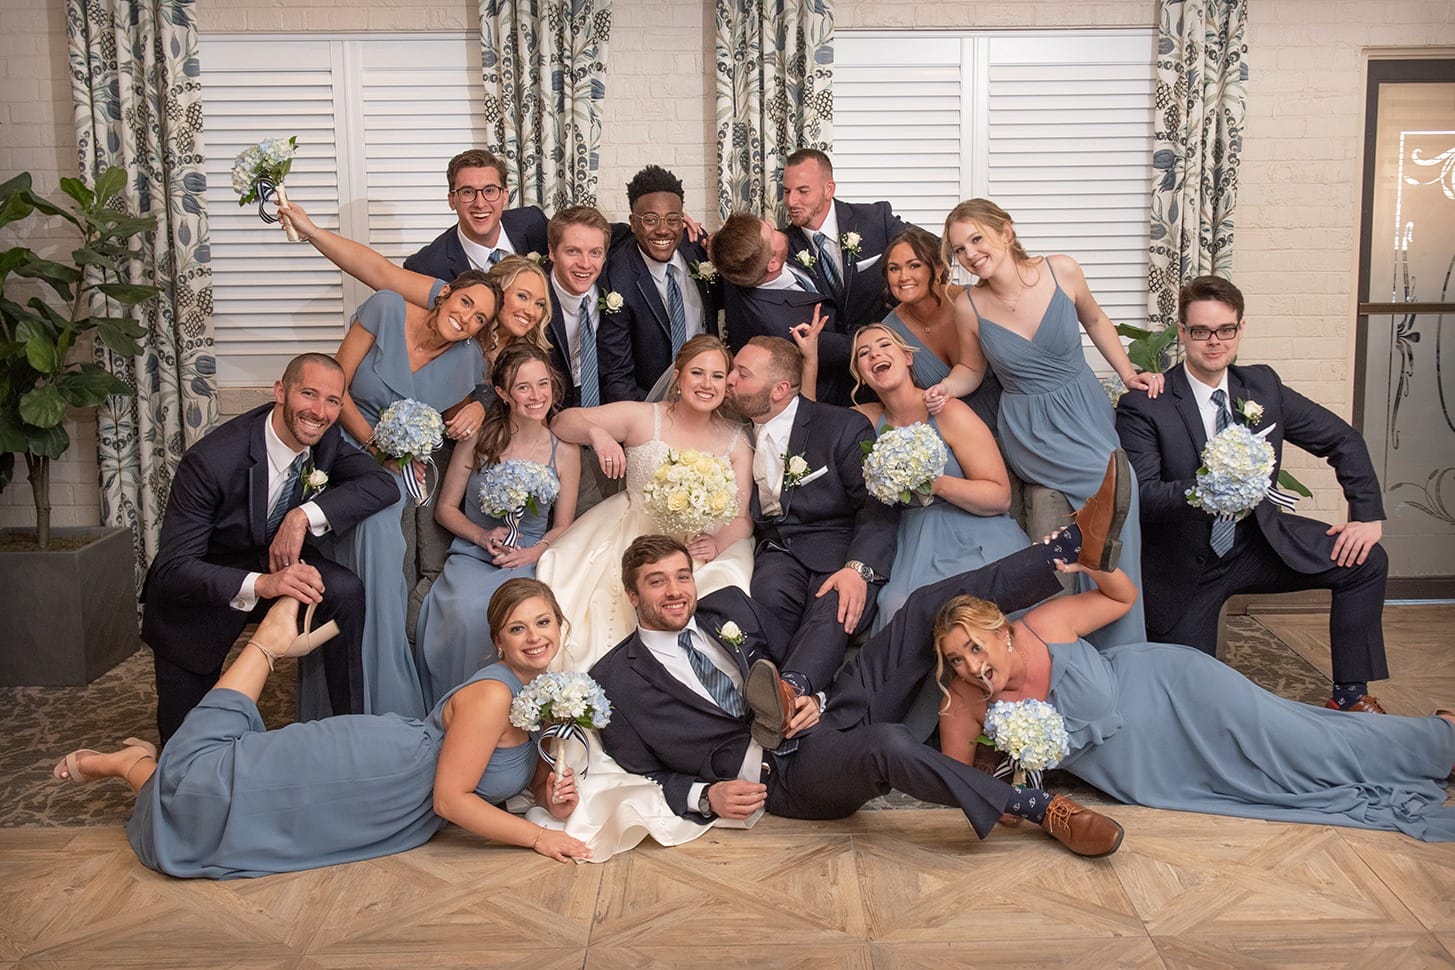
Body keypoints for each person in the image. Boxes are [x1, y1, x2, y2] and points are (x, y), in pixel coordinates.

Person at [588, 533, 1128, 857]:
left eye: (682, 575)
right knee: (888, 745)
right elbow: (642, 772)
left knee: (920, 609)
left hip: (826, 714)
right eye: (658, 582)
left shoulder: (723, 606)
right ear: (633, 594)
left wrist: (801, 691)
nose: (677, 590)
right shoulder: (616, 679)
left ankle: (1064, 550)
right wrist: (705, 797)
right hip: (786, 775)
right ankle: (1040, 808)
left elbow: (788, 649)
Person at [53, 581, 592, 878]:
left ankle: (133, 764)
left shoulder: (546, 700)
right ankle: (266, 643)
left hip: (385, 808)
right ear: (498, 643)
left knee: (207, 821)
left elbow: (518, 781)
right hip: (366, 768)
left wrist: (555, 798)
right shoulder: (495, 693)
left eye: (543, 622)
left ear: (560, 626)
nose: (534, 637)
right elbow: (452, 799)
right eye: (517, 628)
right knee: (212, 784)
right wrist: (540, 836)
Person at [931, 555, 1455, 842]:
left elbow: (1121, 597)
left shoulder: (1042, 628)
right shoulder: (963, 701)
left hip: (1178, 689)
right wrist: (1008, 788)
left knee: (1304, 742)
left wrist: (1091, 561)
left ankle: (1443, 741)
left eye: (975, 647)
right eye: (957, 659)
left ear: (999, 631)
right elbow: (960, 783)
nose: (972, 666)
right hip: (1153, 772)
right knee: (1279, 771)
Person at [1115, 275, 1391, 711]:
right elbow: (1144, 497)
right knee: (1190, 704)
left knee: (1366, 560)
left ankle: (1350, 697)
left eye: (1225, 330)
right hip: (1188, 564)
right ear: (1183, 333)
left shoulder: (1261, 387)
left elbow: (1343, 440)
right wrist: (1210, 490)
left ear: (1240, 330)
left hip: (1259, 543)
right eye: (1201, 331)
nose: (1214, 342)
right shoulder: (1146, 404)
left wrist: (1366, 516)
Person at [279, 199, 503, 719]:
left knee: (385, 531)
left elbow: (498, 391)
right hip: (343, 447)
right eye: (465, 303)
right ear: (446, 293)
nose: (467, 318)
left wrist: (478, 402)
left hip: (395, 471)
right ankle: (338, 692)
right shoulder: (386, 308)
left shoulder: (469, 361)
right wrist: (378, 442)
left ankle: (384, 690)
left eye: (479, 318)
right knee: (365, 524)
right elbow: (336, 389)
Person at [927, 198, 1161, 647]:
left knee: (1113, 512)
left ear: (1006, 231)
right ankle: (1064, 658)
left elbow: (1094, 319)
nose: (970, 254)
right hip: (1032, 431)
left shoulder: (1062, 271)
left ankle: (1123, 649)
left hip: (1085, 413)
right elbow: (972, 371)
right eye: (959, 249)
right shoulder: (969, 307)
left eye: (976, 238)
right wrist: (946, 389)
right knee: (1058, 552)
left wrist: (1129, 373)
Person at [140, 354, 398, 743]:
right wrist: (264, 584)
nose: (319, 411)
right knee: (182, 746)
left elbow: (383, 485)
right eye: (308, 394)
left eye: (332, 401)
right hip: (203, 587)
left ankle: (349, 731)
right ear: (280, 392)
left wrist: (302, 516)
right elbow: (175, 568)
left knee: (345, 591)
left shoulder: (324, 437)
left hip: (276, 561)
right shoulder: (210, 462)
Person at [536, 334, 755, 666]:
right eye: (697, 373)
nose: (706, 384)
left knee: (721, 585)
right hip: (631, 532)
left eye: (717, 376)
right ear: (678, 377)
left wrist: (717, 542)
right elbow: (561, 422)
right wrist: (598, 434)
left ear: (727, 384)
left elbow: (741, 518)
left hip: (699, 546)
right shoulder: (642, 417)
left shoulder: (737, 441)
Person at [724, 336, 898, 699]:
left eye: (742, 374)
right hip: (779, 550)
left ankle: (790, 694)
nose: (728, 380)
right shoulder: (733, 431)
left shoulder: (841, 427)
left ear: (780, 389)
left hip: (838, 550)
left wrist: (858, 569)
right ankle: (766, 692)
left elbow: (877, 505)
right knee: (765, 596)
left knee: (836, 605)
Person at [415, 343, 582, 708]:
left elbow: (564, 525)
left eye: (543, 384)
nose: (536, 396)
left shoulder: (565, 451)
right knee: (464, 609)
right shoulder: (479, 440)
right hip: (474, 554)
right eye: (523, 387)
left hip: (532, 557)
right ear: (504, 394)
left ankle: (510, 711)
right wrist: (481, 534)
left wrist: (533, 550)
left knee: (514, 613)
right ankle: (453, 708)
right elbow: (445, 509)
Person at [846, 323, 1029, 635]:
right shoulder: (863, 420)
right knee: (897, 607)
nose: (875, 353)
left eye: (884, 345)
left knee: (969, 606)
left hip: (972, 530)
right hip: (912, 537)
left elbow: (1000, 496)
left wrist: (936, 483)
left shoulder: (949, 412)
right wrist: (810, 361)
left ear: (907, 357)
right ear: (862, 374)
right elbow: (810, 424)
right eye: (864, 353)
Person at [598, 165, 721, 402]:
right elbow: (617, 373)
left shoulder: (699, 247)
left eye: (672, 219)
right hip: (650, 404)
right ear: (633, 223)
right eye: (650, 220)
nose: (663, 230)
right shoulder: (616, 277)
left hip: (708, 395)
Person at [712, 212, 852, 406]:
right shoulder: (781, 328)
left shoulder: (735, 264)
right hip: (834, 396)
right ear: (773, 264)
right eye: (770, 231)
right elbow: (848, 349)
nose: (772, 223)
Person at [876, 226, 1002, 432]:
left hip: (1014, 418)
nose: (903, 277)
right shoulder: (890, 332)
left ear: (938, 269)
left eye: (914, 265)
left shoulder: (976, 301)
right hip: (953, 435)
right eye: (894, 269)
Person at [779, 148, 912, 333]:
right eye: (786, 191)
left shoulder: (875, 219)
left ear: (828, 189)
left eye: (803, 191)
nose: (791, 201)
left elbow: (935, 250)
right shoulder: (782, 247)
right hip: (824, 356)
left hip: (886, 348)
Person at [403, 148, 550, 279]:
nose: (480, 204)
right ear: (452, 200)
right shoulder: (426, 268)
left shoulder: (535, 224)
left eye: (490, 190)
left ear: (505, 196)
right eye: (468, 192)